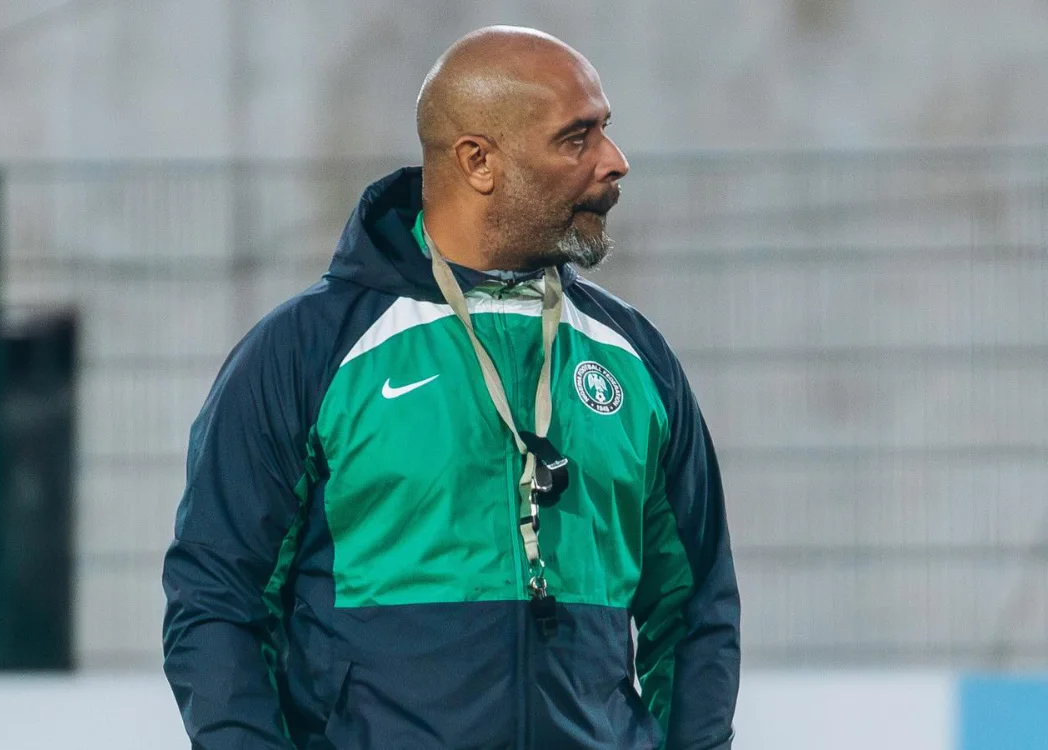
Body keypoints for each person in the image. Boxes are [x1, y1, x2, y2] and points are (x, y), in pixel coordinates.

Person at [163, 25, 739, 750]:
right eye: (577, 138)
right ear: (478, 161)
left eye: (606, 130)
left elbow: (695, 611)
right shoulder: (304, 354)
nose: (614, 161)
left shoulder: (635, 358)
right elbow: (216, 603)